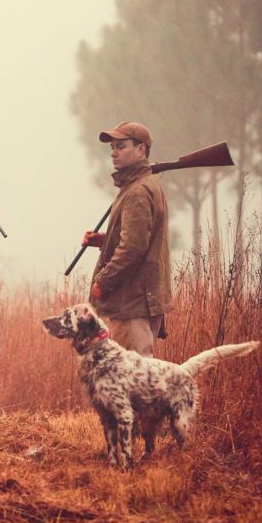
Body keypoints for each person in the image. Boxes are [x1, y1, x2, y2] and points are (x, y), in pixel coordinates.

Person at [82, 121, 172, 357]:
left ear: (141, 149)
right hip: (139, 299)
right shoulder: (143, 186)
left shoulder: (137, 192)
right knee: (140, 371)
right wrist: (104, 241)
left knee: (132, 372)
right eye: (112, 147)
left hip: (132, 302)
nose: (113, 153)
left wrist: (103, 282)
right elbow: (140, 240)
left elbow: (133, 249)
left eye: (121, 147)